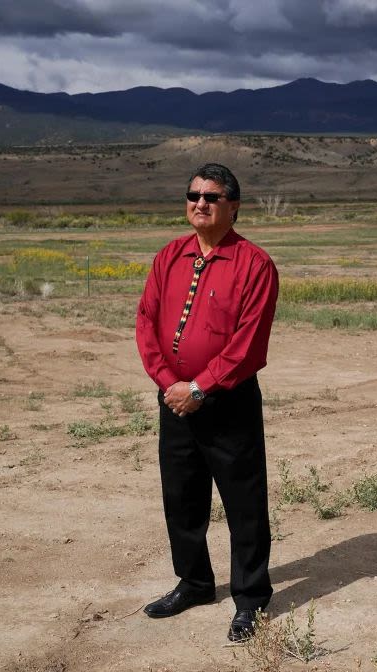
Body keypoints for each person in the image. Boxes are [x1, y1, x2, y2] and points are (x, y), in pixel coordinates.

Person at [135, 163, 279, 642]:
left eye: (211, 197)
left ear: (233, 207)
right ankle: (195, 582)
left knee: (243, 503)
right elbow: (146, 323)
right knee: (182, 497)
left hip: (228, 401)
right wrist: (169, 384)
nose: (200, 202)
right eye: (193, 194)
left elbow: (248, 344)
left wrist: (199, 388)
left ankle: (251, 597)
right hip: (173, 400)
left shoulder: (255, 265)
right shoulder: (168, 257)